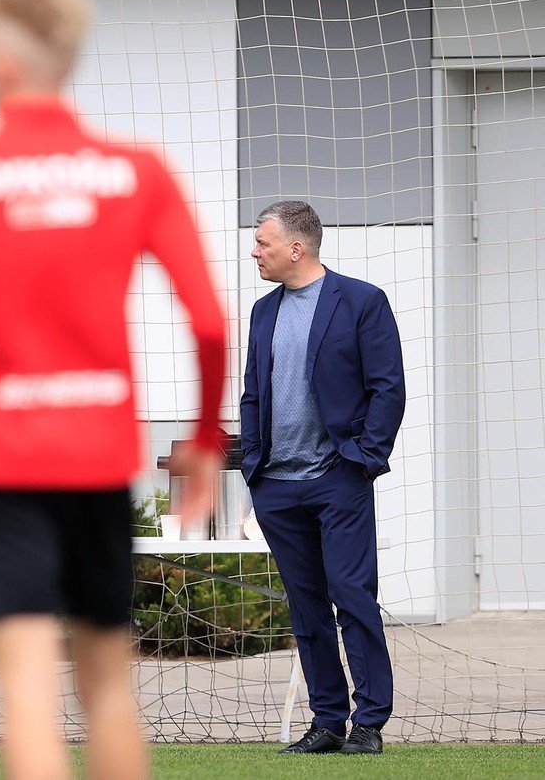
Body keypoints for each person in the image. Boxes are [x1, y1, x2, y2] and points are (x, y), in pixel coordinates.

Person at [0, 0, 227, 780]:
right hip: (97, 454)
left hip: (3, 459)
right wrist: (206, 440)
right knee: (107, 687)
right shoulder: (138, 170)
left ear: (0, 62)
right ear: (68, 62)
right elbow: (210, 320)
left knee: (29, 693)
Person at [240, 200, 404, 756]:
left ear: (295, 248)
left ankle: (369, 723)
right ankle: (328, 722)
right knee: (306, 608)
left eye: (262, 243)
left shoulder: (361, 301)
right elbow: (253, 393)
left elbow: (388, 388)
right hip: (276, 485)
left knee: (352, 597)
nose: (254, 252)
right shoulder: (263, 312)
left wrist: (364, 459)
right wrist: (253, 463)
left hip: (339, 479)